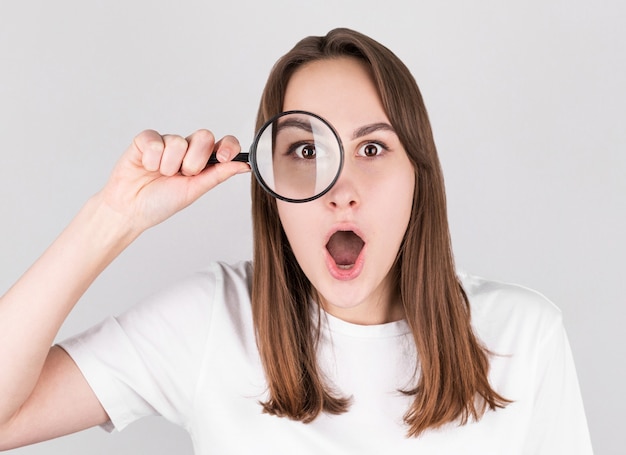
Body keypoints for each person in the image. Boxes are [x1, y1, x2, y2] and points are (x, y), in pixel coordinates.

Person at [0, 28, 592, 454]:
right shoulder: (213, 321)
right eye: (307, 151)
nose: (342, 191)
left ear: (419, 177)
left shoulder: (524, 338)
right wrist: (113, 217)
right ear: (270, 185)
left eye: (373, 148)